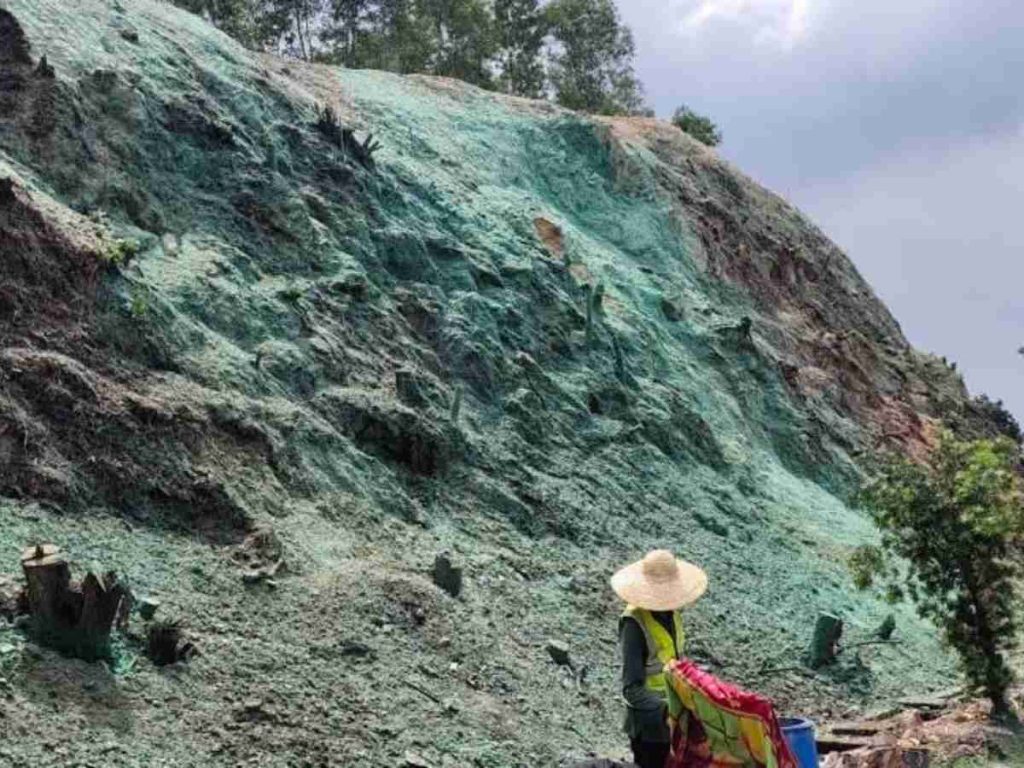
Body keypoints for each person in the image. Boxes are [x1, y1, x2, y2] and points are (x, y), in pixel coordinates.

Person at [611, 550, 708, 768]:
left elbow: (674, 661)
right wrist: (668, 708)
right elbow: (632, 690)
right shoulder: (634, 624)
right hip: (649, 729)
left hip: (675, 721)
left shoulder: (672, 614)